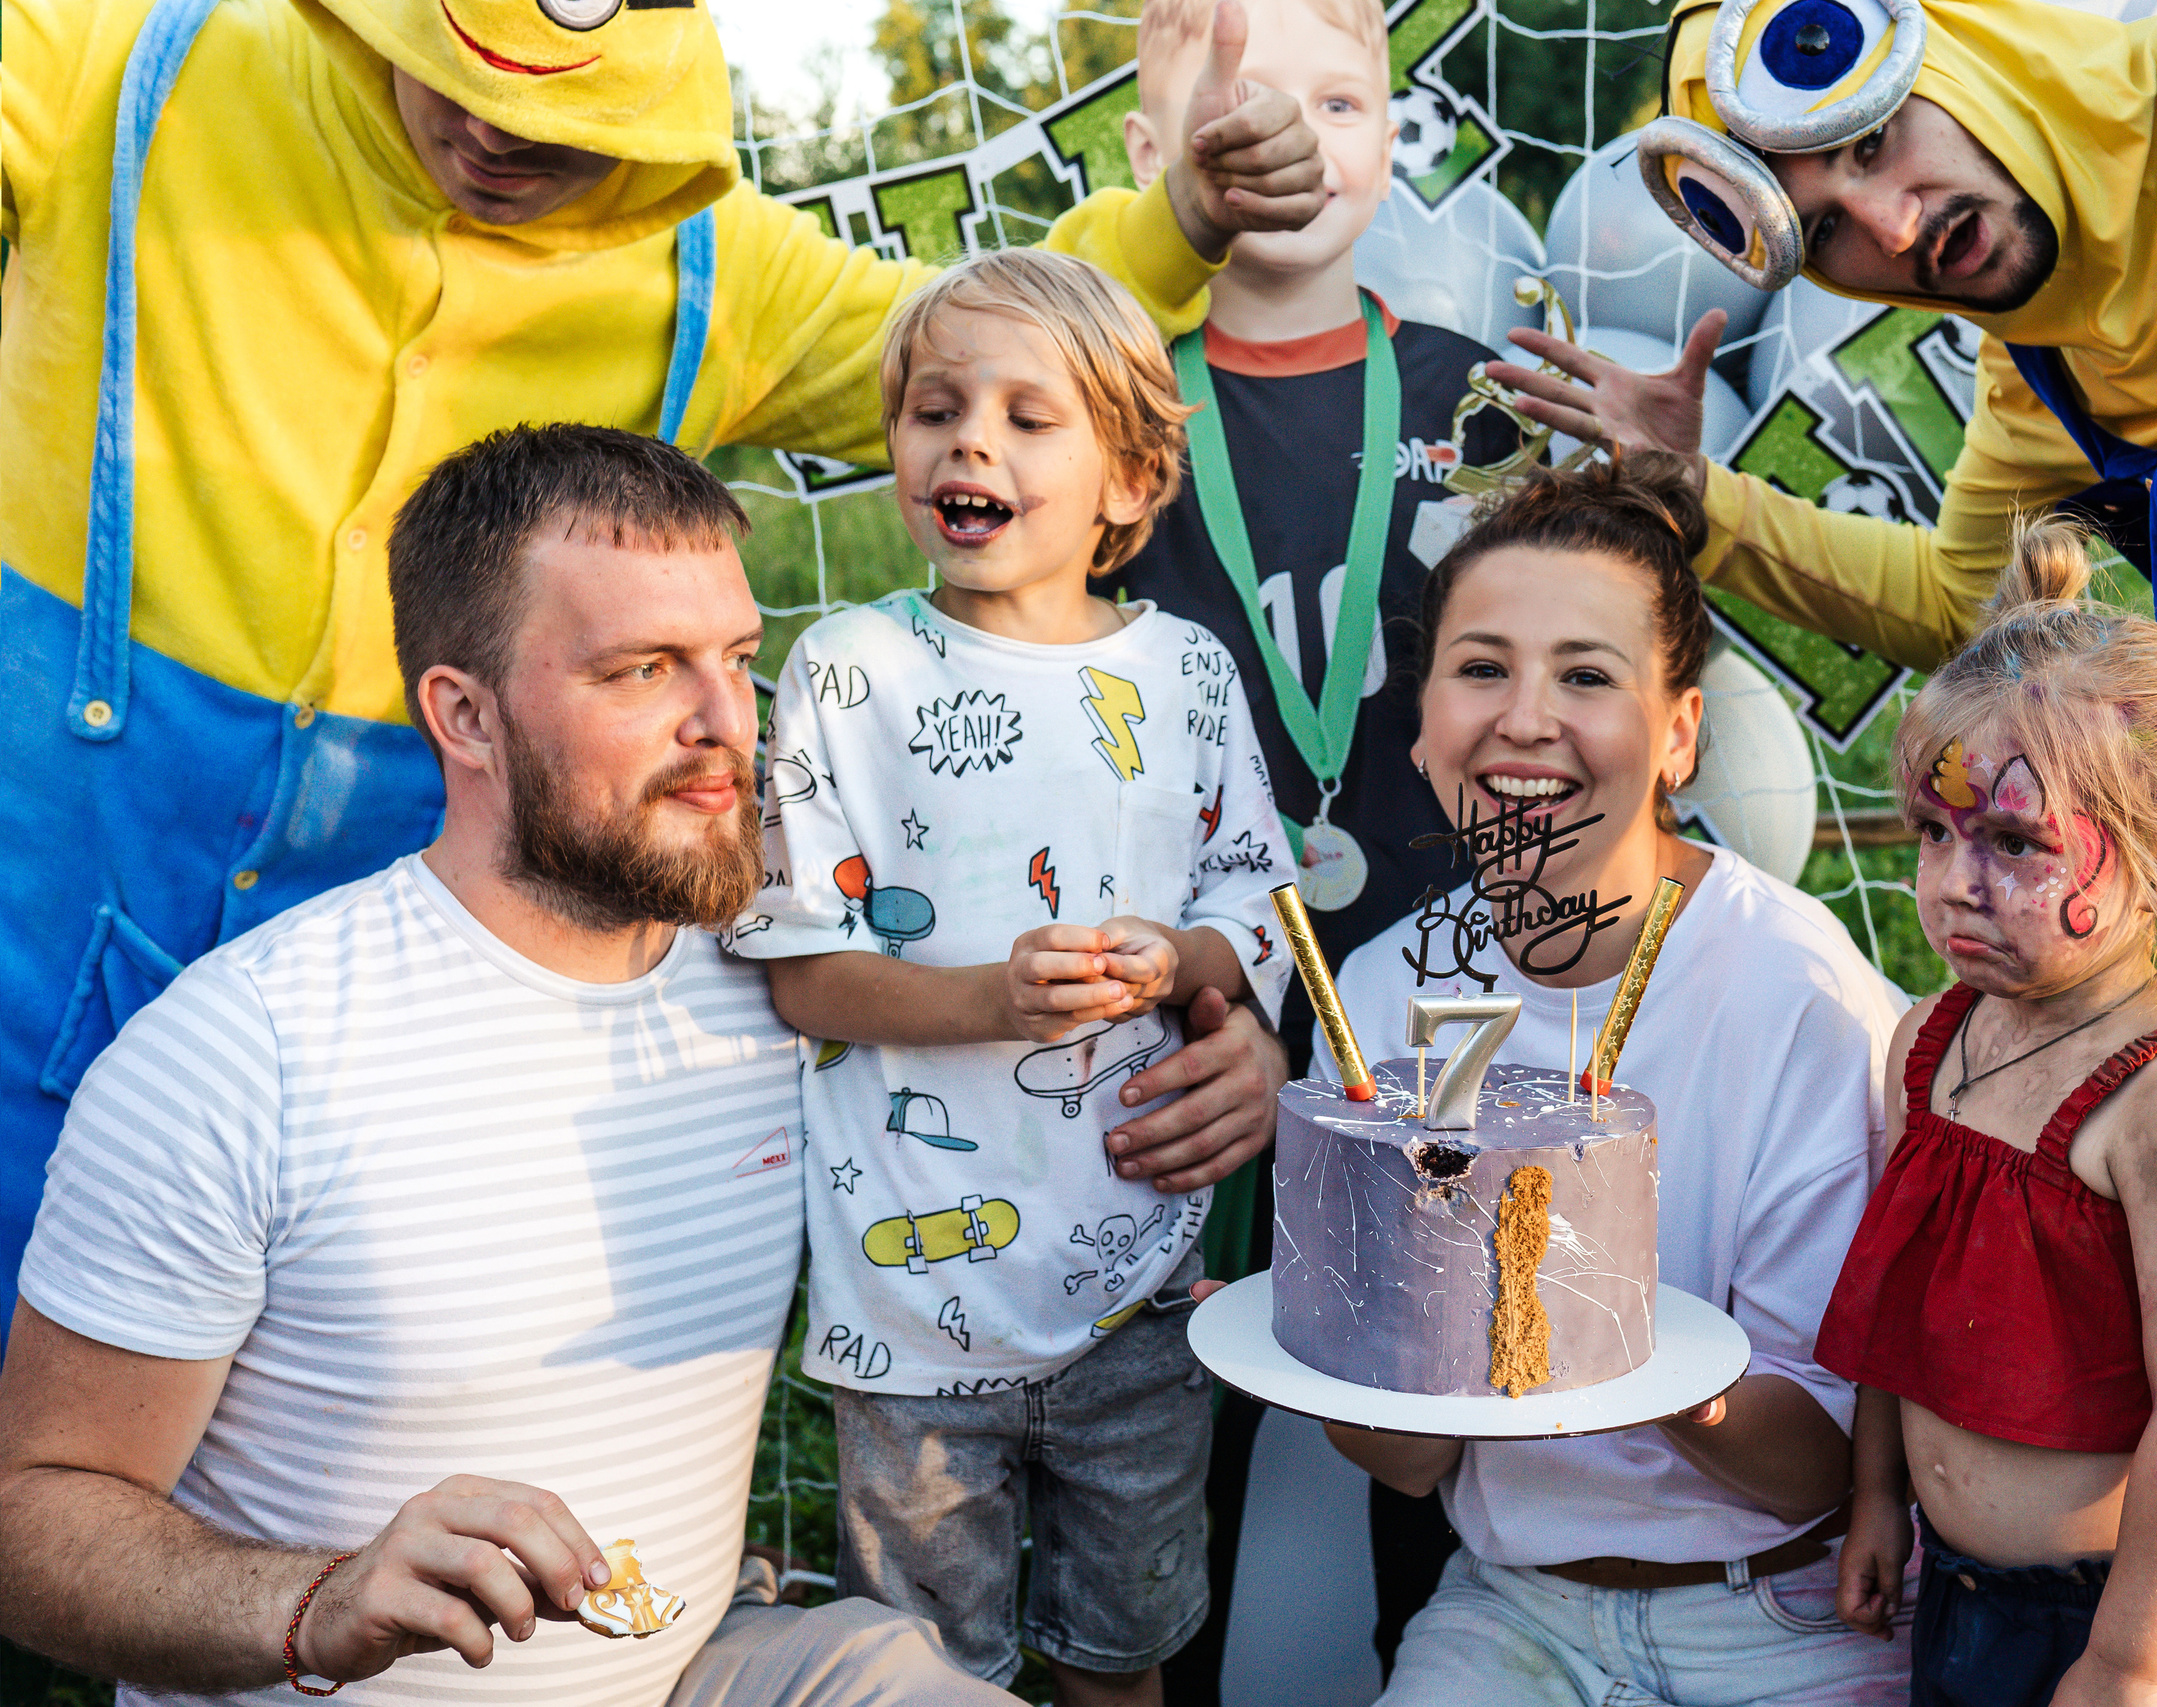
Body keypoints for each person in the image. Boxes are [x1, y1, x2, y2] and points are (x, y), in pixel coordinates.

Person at [1494, 2, 2157, 1697]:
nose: (1892, 221)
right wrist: (1700, 493)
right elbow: (1952, 602)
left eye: (1872, 142)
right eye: (1827, 228)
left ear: (1952, 52)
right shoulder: (2037, 367)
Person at [0, 0, 1329, 1328]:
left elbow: (985, 341)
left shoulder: (715, 265)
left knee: (369, 1331)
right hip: (49, 860)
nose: (494, 131)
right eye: (461, 77)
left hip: (443, 905)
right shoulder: (118, 62)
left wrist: (1181, 220)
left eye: (553, 115)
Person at [0, 424, 1017, 1705]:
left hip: (697, 1669)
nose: (728, 724)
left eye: (737, 659)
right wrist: (319, 1602)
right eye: (644, 670)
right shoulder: (243, 1057)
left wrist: (1214, 1049)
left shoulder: (791, 978)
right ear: (466, 716)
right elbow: (32, 1520)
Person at [727, 250, 1293, 1707]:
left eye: (1028, 417)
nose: (968, 442)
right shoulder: (848, 668)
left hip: (1139, 1297)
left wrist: (1179, 958)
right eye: (936, 410)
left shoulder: (1189, 673)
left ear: (1130, 479)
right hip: (911, 1315)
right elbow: (805, 973)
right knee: (924, 1673)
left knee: (1123, 1657)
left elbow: (1257, 906)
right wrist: (994, 999)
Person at [1314, 454, 1909, 1704]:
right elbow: (1406, 1462)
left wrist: (1605, 1324)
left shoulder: (1797, 996)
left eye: (1586, 676)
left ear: (1678, 733)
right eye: (1482, 668)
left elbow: (1814, 1469)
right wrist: (1338, 1318)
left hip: (1784, 1614)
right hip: (1510, 1606)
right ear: (1422, 724)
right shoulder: (1376, 996)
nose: (1525, 719)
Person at [1111, 0, 1521, 1679]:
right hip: (1195, 998)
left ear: (1392, 141)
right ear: (1148, 153)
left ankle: (1448, 1666)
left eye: (1341, 104)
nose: (1296, 141)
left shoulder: (1479, 395)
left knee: (1444, 1371)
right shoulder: (1112, 406)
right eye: (1245, 104)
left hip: (1450, 981)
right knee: (1166, 1417)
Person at [1815, 518, 2157, 1706]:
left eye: (2015, 842)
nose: (1955, 883)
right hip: (1963, 1604)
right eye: (1933, 834)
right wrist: (1875, 1497)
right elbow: (1895, 1308)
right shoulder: (1929, 1044)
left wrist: (2126, 1664)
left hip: (2138, 1628)